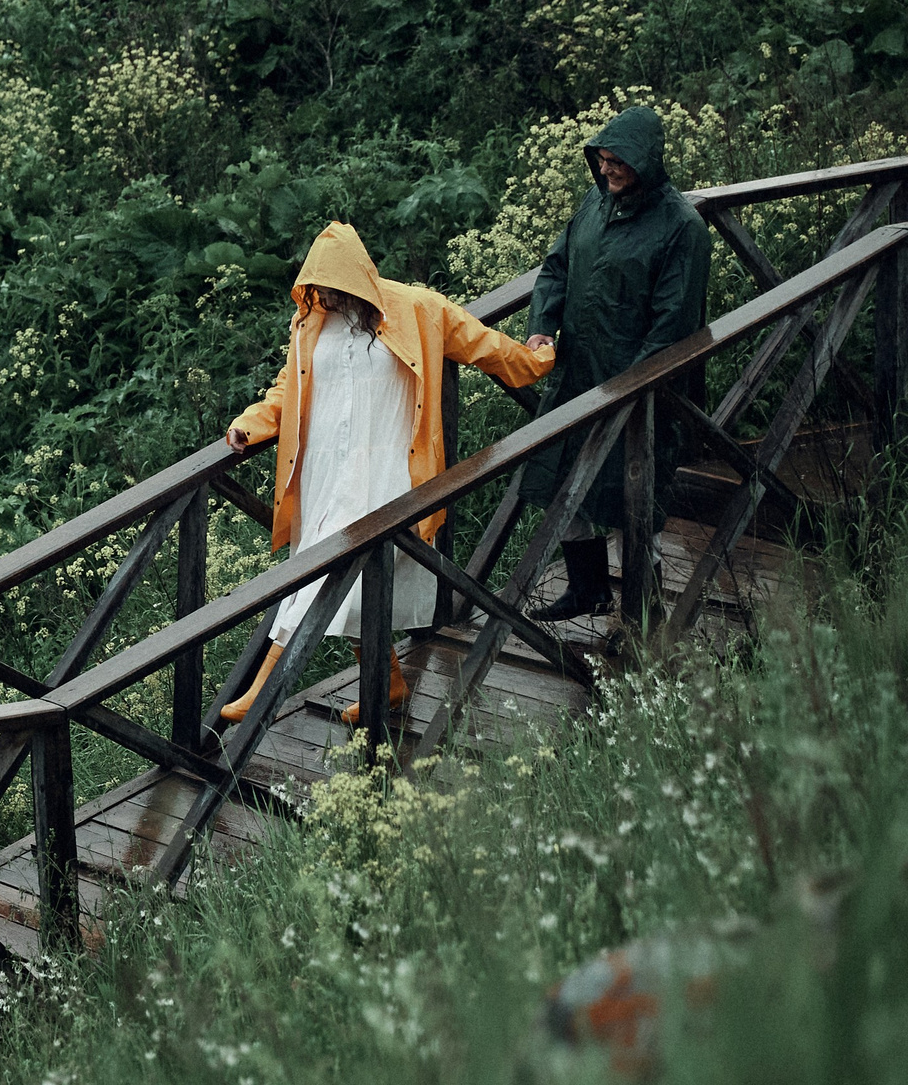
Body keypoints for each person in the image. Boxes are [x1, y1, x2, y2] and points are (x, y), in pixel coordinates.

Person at [221, 222, 554, 726]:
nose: (328, 297)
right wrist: (251, 425)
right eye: (320, 287)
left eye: (335, 287)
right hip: (326, 475)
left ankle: (264, 688)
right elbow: (288, 388)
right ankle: (391, 682)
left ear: (357, 278)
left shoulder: (418, 308)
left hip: (391, 472)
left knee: (339, 575)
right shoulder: (310, 322)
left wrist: (537, 359)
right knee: (340, 577)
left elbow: (484, 346)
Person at [519, 104, 712, 620]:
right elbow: (556, 268)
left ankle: (642, 613)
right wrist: (541, 325)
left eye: (617, 162)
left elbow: (674, 326)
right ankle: (588, 589)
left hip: (642, 392)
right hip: (577, 377)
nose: (606, 170)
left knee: (635, 500)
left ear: (645, 161)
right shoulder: (595, 202)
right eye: (601, 160)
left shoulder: (682, 229)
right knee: (564, 481)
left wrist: (628, 392)